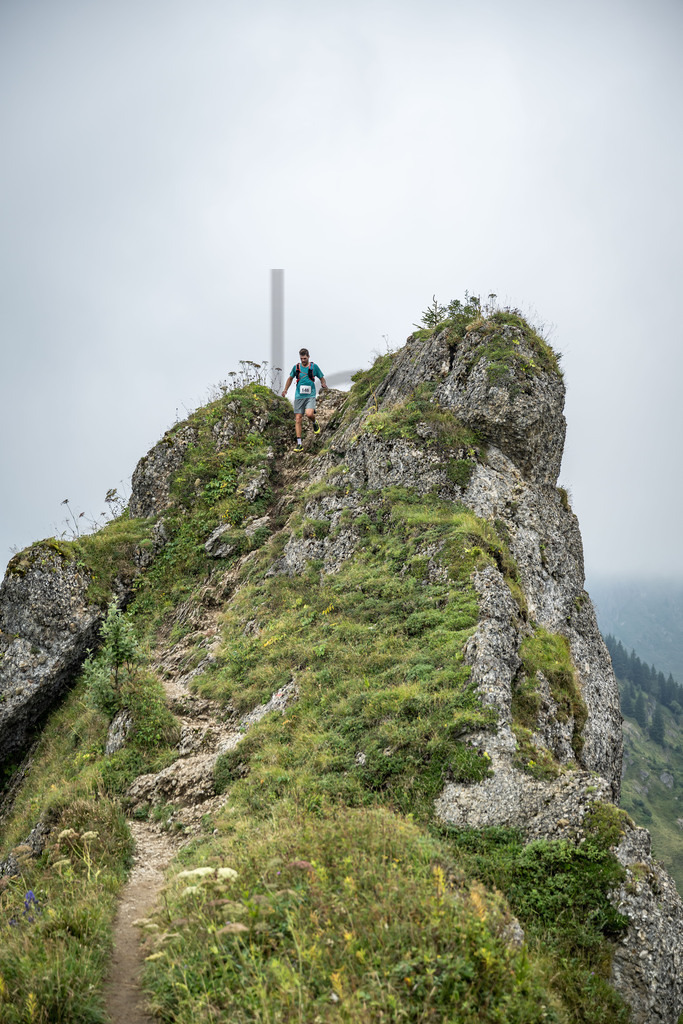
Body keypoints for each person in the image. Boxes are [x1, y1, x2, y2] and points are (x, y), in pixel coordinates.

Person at [281, 348, 329, 451]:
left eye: (305, 358)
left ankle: (314, 422)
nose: (303, 360)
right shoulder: (296, 368)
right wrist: (285, 390)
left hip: (310, 395)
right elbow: (290, 378)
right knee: (298, 418)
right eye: (301, 358)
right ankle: (299, 444)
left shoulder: (313, 367)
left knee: (309, 414)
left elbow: (321, 377)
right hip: (299, 396)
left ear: (308, 357)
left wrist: (323, 383)